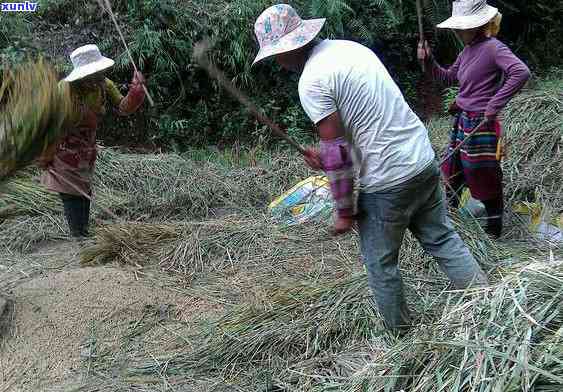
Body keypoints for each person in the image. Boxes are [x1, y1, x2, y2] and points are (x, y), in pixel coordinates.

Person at [252, 4, 488, 333]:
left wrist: (345, 211)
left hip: (387, 180)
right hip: (420, 158)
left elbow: (337, 151)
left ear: (290, 48)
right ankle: (491, 304)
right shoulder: (349, 49)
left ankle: (402, 340)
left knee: (381, 264)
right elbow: (364, 124)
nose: (278, 62)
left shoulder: (311, 81)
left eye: (277, 55)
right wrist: (326, 159)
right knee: (443, 238)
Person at [418, 0, 531, 238]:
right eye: (456, 28)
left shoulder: (493, 48)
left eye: (462, 28)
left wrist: (494, 104)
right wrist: (428, 60)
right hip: (462, 120)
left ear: (477, 25)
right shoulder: (467, 50)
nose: (458, 32)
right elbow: (448, 78)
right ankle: (450, 222)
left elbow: (520, 72)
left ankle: (493, 230)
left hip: (481, 124)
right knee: (454, 170)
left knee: (483, 173)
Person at [38, 44, 146, 239]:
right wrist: (45, 157)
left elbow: (123, 108)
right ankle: (80, 237)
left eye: (100, 72)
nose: (99, 76)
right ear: (81, 75)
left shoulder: (103, 85)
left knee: (84, 190)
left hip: (86, 152)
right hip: (63, 152)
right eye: (93, 73)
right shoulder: (64, 92)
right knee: (72, 194)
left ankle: (83, 232)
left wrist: (136, 92)